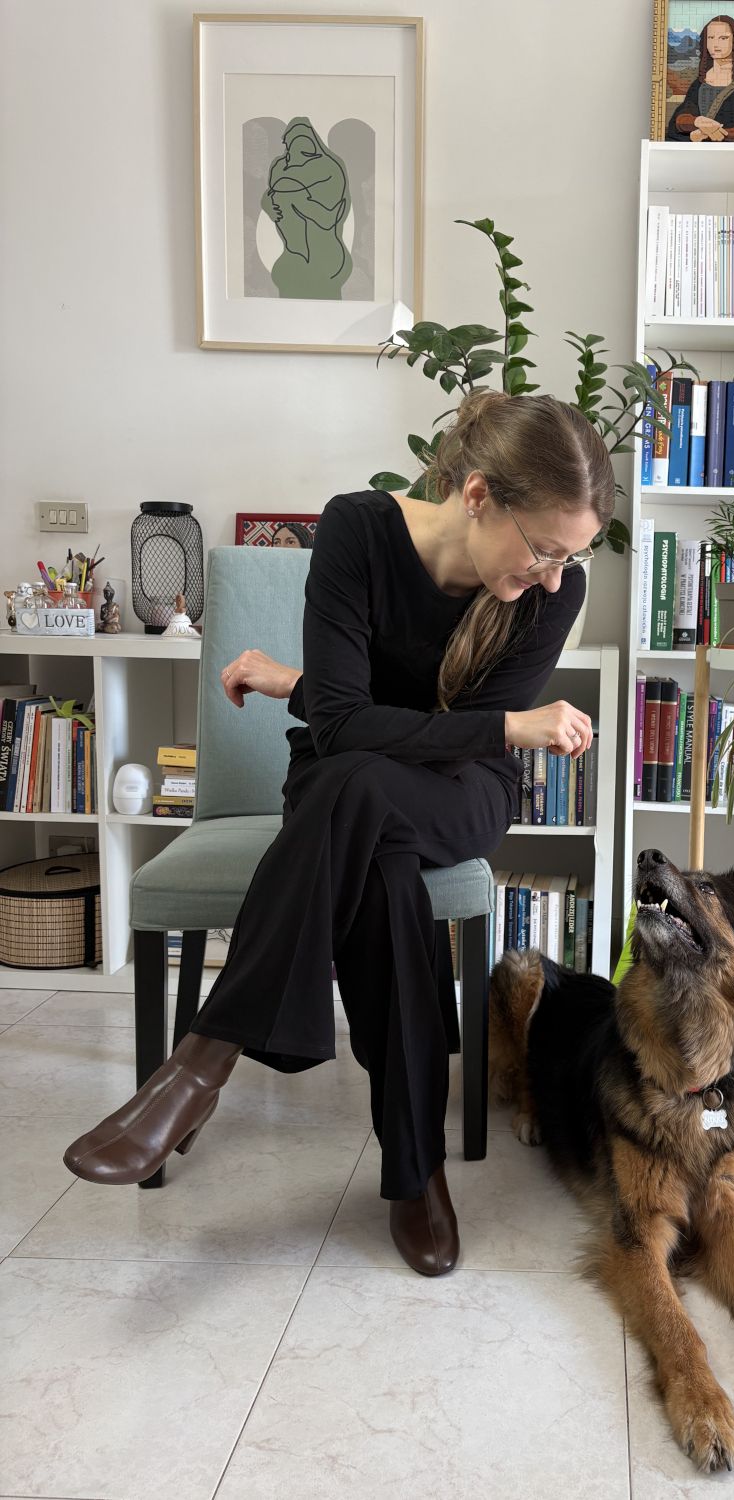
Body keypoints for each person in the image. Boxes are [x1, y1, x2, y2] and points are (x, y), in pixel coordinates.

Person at [63, 389, 615, 1277]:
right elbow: (357, 729)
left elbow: (416, 740)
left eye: (570, 556)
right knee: (377, 851)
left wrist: (307, 687)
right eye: (545, 548)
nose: (555, 576)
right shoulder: (357, 528)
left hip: (460, 793)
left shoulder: (550, 592)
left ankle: (200, 1064)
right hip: (358, 781)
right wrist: (503, 726)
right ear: (478, 495)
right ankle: (414, 1170)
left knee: (361, 784)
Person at [665, 14, 734, 142]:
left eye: (723, 38)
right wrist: (698, 121)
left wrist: (707, 135)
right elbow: (679, 120)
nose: (716, 43)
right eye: (711, 37)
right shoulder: (699, 84)